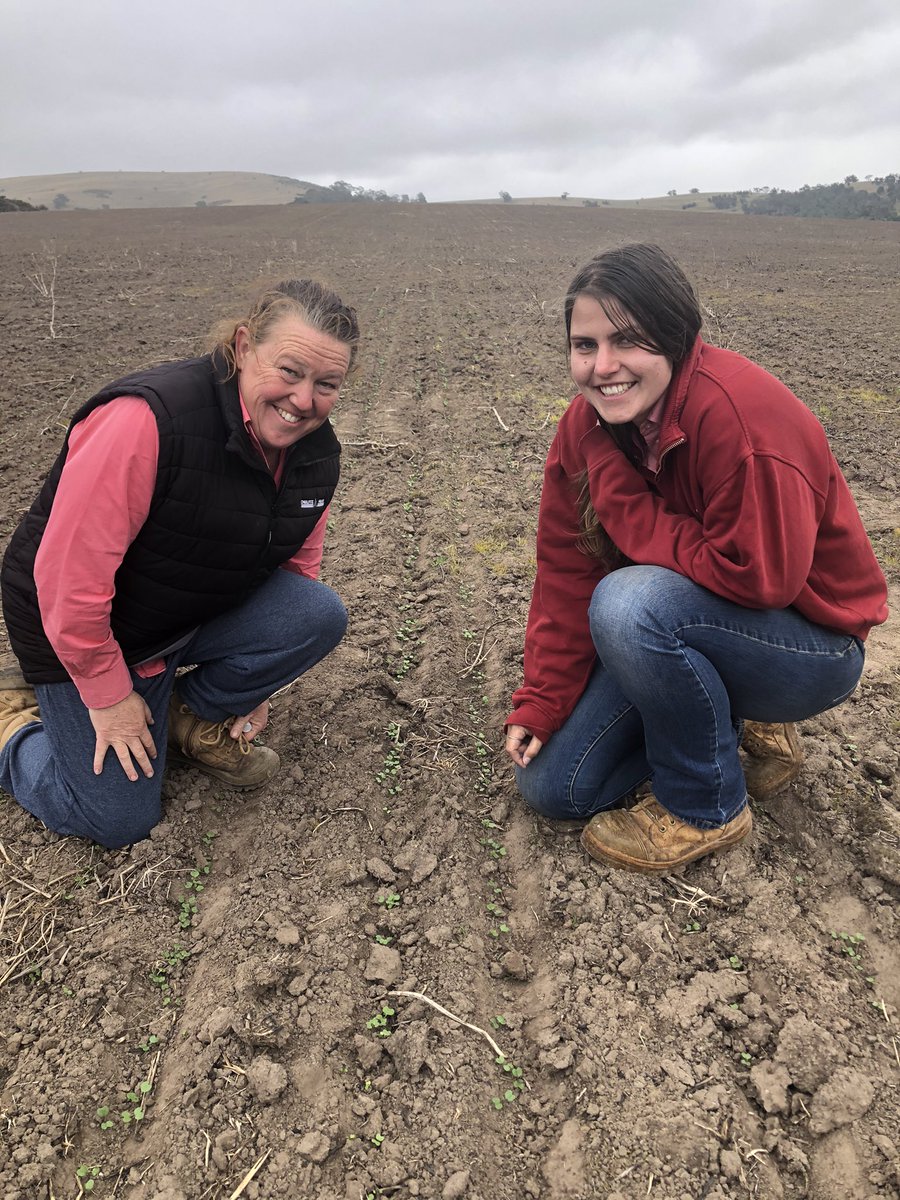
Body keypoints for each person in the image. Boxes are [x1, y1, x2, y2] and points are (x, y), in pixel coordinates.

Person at [505, 244, 888, 874]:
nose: (603, 367)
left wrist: (618, 491)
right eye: (584, 345)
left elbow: (760, 578)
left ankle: (703, 805)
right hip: (695, 620)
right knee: (556, 787)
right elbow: (565, 571)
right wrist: (543, 698)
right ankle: (723, 718)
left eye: (627, 340)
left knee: (630, 603)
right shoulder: (588, 424)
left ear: (677, 336)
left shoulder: (742, 418)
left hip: (809, 646)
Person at [0, 278, 358, 849]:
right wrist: (110, 696)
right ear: (243, 347)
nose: (303, 400)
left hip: (179, 614)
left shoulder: (315, 454)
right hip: (82, 631)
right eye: (289, 371)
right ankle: (15, 727)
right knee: (118, 819)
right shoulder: (145, 421)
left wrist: (253, 687)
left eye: (326, 384)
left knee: (315, 613)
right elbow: (68, 583)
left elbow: (295, 571)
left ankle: (185, 718)